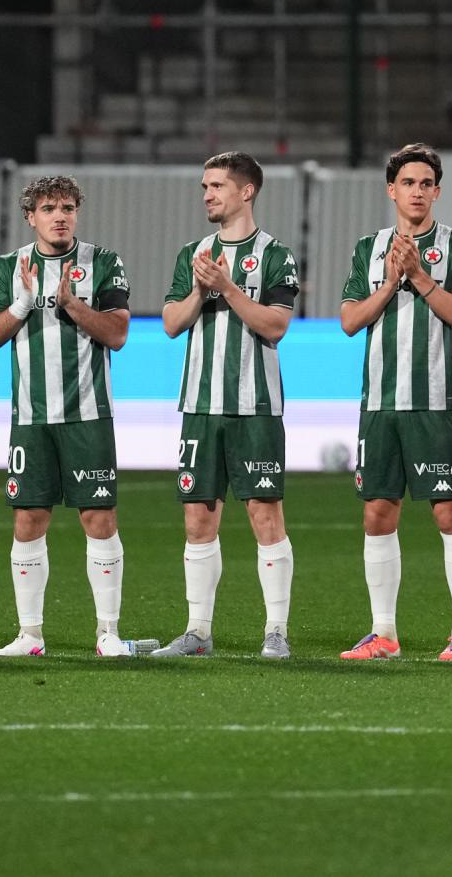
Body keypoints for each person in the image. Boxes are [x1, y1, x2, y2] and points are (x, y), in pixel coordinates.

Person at [0, 173, 151, 657]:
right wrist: (21, 304)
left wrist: (74, 305)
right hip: (31, 417)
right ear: (31, 217)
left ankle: (108, 633)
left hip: (88, 414)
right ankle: (30, 635)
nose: (60, 216)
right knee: (28, 518)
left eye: (68, 207)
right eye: (49, 208)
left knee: (98, 516)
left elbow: (117, 333)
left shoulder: (104, 263)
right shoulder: (10, 267)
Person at [336, 144, 452, 661]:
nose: (417, 191)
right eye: (408, 183)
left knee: (449, 511)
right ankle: (384, 633)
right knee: (378, 513)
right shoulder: (368, 248)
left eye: (426, 183)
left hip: (434, 399)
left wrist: (420, 278)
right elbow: (351, 320)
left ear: (437, 192)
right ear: (391, 190)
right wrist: (393, 281)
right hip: (379, 402)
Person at [155, 152, 303, 660]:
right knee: (198, 518)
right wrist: (200, 290)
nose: (208, 195)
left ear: (247, 191)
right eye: (204, 187)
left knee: (265, 514)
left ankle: (276, 632)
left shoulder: (277, 255)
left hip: (256, 406)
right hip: (200, 403)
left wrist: (229, 288)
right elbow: (172, 323)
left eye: (216, 186)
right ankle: (198, 632)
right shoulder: (192, 254)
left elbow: (276, 325)